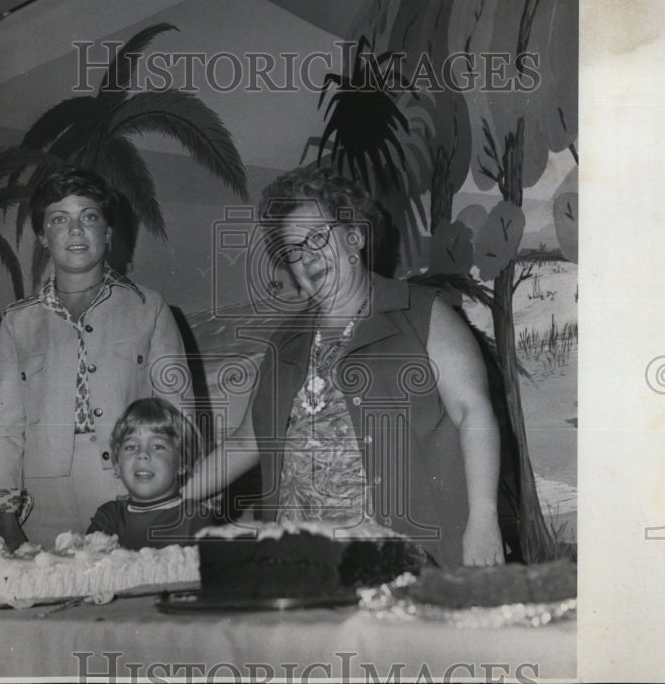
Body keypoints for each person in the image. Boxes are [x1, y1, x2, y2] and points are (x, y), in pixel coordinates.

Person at [185, 167, 519, 568]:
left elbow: (473, 413)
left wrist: (484, 521)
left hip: (405, 558)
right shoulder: (285, 341)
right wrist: (174, 501)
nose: (306, 258)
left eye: (316, 238)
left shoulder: (423, 313)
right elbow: (247, 441)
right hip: (300, 565)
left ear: (355, 238)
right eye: (292, 251)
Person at [0, 166, 192, 550]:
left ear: (107, 232)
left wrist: (161, 506)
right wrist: (7, 524)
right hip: (40, 510)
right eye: (59, 219)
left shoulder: (149, 309)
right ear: (42, 237)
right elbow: (3, 431)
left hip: (130, 496)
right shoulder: (18, 323)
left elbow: (178, 417)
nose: (75, 230)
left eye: (89, 217)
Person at [87, 397, 212, 549]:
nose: (142, 454)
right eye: (131, 447)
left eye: (157, 446)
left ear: (182, 463)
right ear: (117, 465)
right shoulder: (109, 517)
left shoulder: (196, 517)